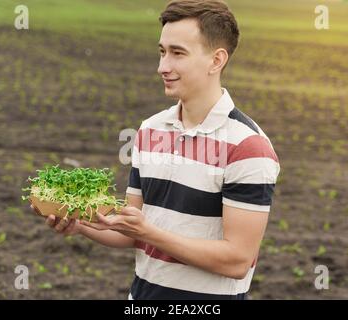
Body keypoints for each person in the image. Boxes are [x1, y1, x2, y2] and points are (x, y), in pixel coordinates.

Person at [31, 0, 280, 300]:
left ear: (216, 60)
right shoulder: (150, 130)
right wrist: (78, 223)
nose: (163, 67)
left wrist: (148, 233)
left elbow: (237, 260)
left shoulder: (248, 147)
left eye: (177, 53)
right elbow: (131, 227)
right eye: (162, 52)